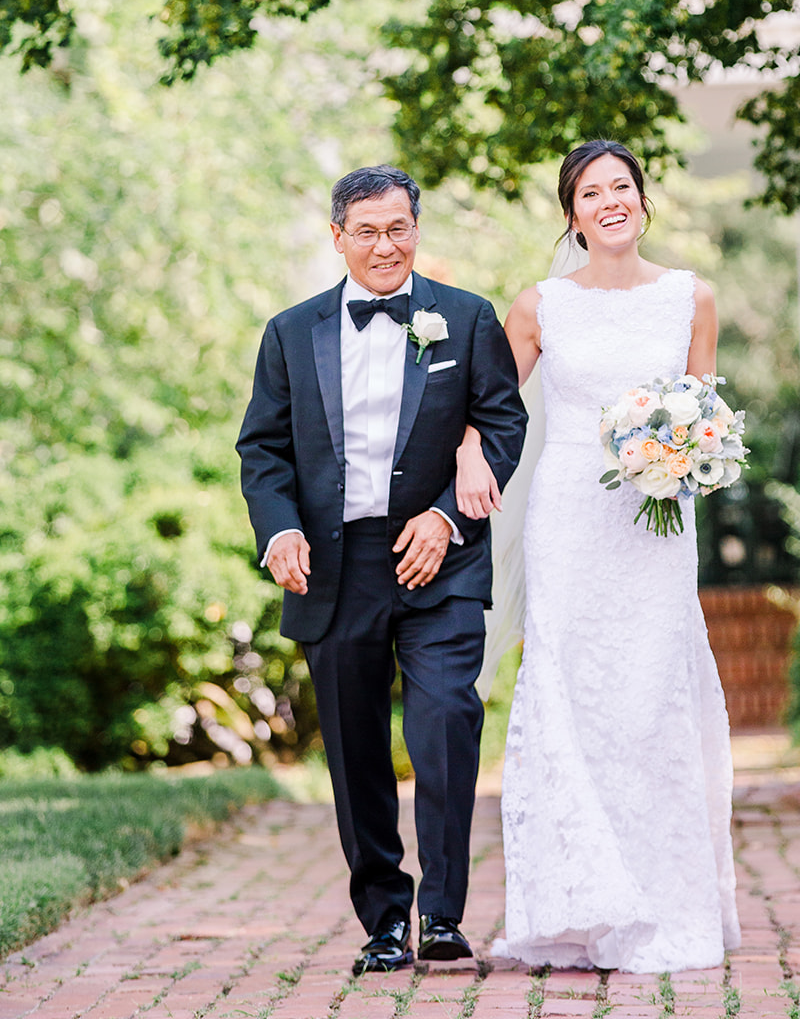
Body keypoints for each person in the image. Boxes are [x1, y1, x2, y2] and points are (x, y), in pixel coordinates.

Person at [456, 139, 741, 972]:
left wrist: (686, 454)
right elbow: (494, 408)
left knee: (651, 699)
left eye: (622, 186)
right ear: (572, 216)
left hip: (655, 524)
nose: (609, 201)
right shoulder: (538, 306)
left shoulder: (693, 298)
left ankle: (660, 903)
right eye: (590, 192)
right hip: (570, 519)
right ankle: (573, 905)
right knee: (567, 690)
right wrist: (472, 451)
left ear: (643, 202)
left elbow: (704, 413)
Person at [237, 165, 528, 976]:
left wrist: (446, 514)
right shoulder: (289, 333)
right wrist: (279, 530)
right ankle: (384, 918)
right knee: (356, 750)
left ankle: (440, 913)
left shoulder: (465, 320)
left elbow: (503, 422)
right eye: (365, 231)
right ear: (337, 238)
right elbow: (261, 449)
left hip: (441, 557)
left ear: (417, 229)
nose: (383, 245)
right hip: (333, 569)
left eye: (397, 228)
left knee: (442, 723)